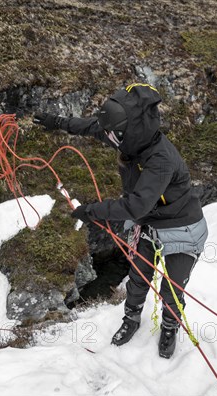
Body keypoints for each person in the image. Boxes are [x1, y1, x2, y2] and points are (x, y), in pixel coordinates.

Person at [33, 83, 208, 358]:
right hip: (150, 224)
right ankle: (131, 319)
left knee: (171, 288)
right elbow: (92, 127)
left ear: (131, 129)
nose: (108, 138)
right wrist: (56, 122)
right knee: (137, 278)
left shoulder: (161, 159)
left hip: (182, 226)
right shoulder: (127, 136)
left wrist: (91, 211)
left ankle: (170, 326)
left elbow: (135, 204)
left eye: (114, 134)